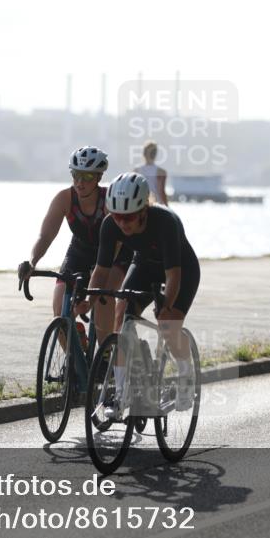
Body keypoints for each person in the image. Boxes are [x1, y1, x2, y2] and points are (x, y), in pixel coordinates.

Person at [77, 172, 200, 416]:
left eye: (129, 217)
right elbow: (101, 270)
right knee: (121, 316)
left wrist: (166, 306)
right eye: (117, 216)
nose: (122, 223)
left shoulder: (165, 222)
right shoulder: (110, 225)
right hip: (145, 265)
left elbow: (173, 276)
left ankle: (187, 377)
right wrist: (89, 301)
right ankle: (122, 393)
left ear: (143, 209)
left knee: (168, 323)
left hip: (181, 269)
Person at [18, 146, 129, 342]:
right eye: (76, 175)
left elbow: (117, 243)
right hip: (80, 252)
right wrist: (32, 262)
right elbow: (45, 236)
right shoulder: (64, 198)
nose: (79, 182)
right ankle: (75, 357)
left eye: (87, 177)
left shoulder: (108, 201)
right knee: (60, 312)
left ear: (98, 177)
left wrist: (99, 273)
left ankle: (105, 352)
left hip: (114, 253)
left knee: (102, 297)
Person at [134, 140, 169, 205]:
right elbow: (161, 192)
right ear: (155, 154)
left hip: (140, 204)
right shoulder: (161, 172)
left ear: (144, 153)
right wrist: (167, 207)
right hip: (156, 204)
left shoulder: (136, 170)